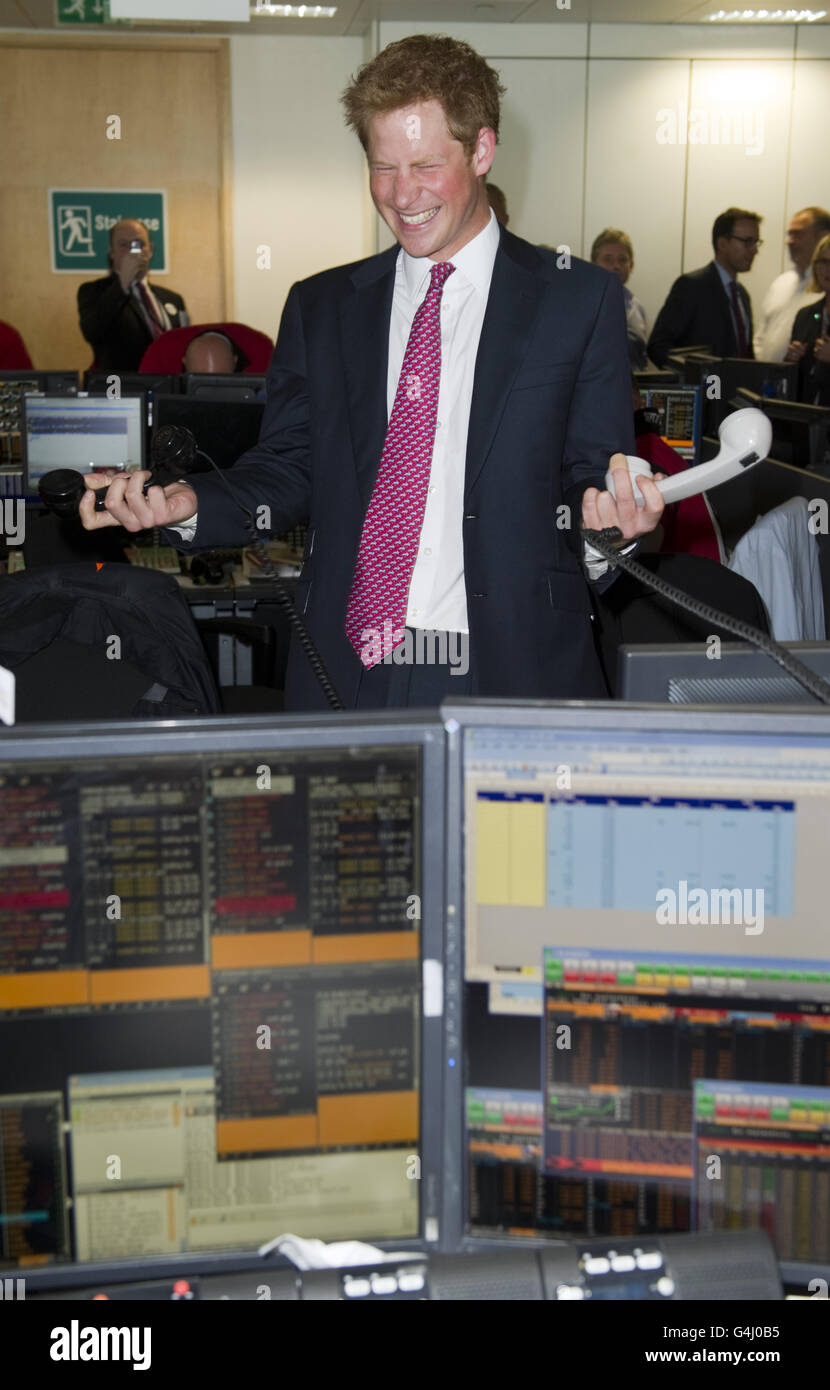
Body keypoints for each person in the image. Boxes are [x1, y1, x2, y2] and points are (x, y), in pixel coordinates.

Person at [79, 34, 664, 712]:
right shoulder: (323, 306)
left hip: (513, 662)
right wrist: (190, 502)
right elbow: (291, 467)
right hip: (351, 665)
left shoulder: (577, 301)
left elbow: (591, 477)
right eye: (382, 167)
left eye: (424, 165)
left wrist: (613, 521)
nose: (401, 195)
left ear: (481, 150)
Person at [648, 208, 762, 367]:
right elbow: (658, 346)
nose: (755, 250)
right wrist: (695, 376)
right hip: (704, 383)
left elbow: (745, 354)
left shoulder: (742, 295)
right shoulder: (691, 286)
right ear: (722, 244)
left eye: (756, 242)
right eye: (748, 241)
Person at [77, 219, 189, 372]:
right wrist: (123, 282)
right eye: (124, 245)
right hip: (119, 383)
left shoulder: (172, 299)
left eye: (139, 244)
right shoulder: (94, 291)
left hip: (167, 381)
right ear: (112, 252)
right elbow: (92, 331)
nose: (132, 251)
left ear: (150, 250)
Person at [754, 206, 830, 363]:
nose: (789, 241)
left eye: (798, 234)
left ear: (823, 235)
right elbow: (760, 338)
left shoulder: (824, 288)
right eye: (789, 234)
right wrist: (790, 357)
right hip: (775, 375)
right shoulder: (781, 284)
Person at [590, 228, 648, 369]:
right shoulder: (581, 305)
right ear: (593, 265)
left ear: (631, 265)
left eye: (622, 260)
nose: (616, 266)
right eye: (607, 259)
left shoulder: (637, 307)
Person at [784, 232, 830, 408]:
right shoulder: (806, 315)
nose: (828, 269)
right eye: (823, 262)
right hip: (804, 415)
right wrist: (791, 360)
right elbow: (790, 378)